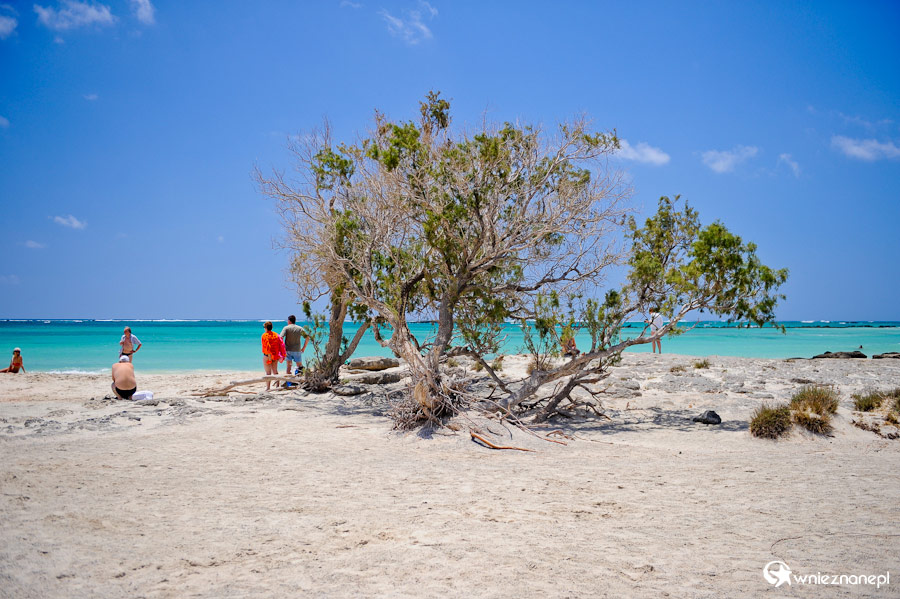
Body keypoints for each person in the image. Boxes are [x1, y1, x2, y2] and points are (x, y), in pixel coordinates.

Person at [261, 321, 284, 391]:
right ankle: (277, 386)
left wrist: (269, 358)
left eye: (264, 327)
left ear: (266, 328)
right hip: (275, 355)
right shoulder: (276, 335)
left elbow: (267, 347)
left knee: (268, 373)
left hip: (267, 356)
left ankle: (268, 388)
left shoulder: (264, 336)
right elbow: (281, 344)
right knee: (275, 371)